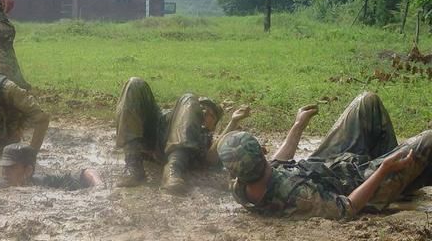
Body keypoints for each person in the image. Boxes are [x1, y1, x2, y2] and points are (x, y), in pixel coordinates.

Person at [217, 91, 432, 220]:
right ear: (261, 156)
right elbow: (347, 207)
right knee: (428, 140)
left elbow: (277, 163)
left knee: (367, 102)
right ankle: (399, 180)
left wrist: (298, 125)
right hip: (357, 183)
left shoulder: (241, 186)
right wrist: (384, 169)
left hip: (325, 166)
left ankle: (401, 174)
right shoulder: (300, 196)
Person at [115, 77, 251, 193]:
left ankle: (173, 169)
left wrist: (233, 121)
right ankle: (133, 165)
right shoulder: (176, 114)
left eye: (210, 114)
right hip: (154, 134)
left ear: (213, 127)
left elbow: (211, 158)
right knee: (135, 83)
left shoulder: (204, 137)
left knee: (189, 97)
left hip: (173, 153)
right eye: (200, 107)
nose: (203, 111)